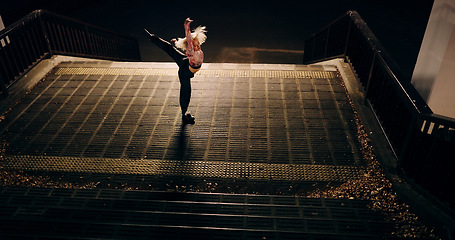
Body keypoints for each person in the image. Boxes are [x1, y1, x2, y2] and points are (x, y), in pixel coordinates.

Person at [145, 18, 207, 125]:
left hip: (185, 61)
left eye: (198, 45)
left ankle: (154, 38)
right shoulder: (191, 51)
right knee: (186, 91)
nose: (197, 47)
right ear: (190, 47)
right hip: (185, 71)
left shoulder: (195, 49)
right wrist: (186, 26)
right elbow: (188, 39)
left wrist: (178, 42)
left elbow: (188, 40)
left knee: (171, 50)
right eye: (194, 45)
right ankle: (184, 114)